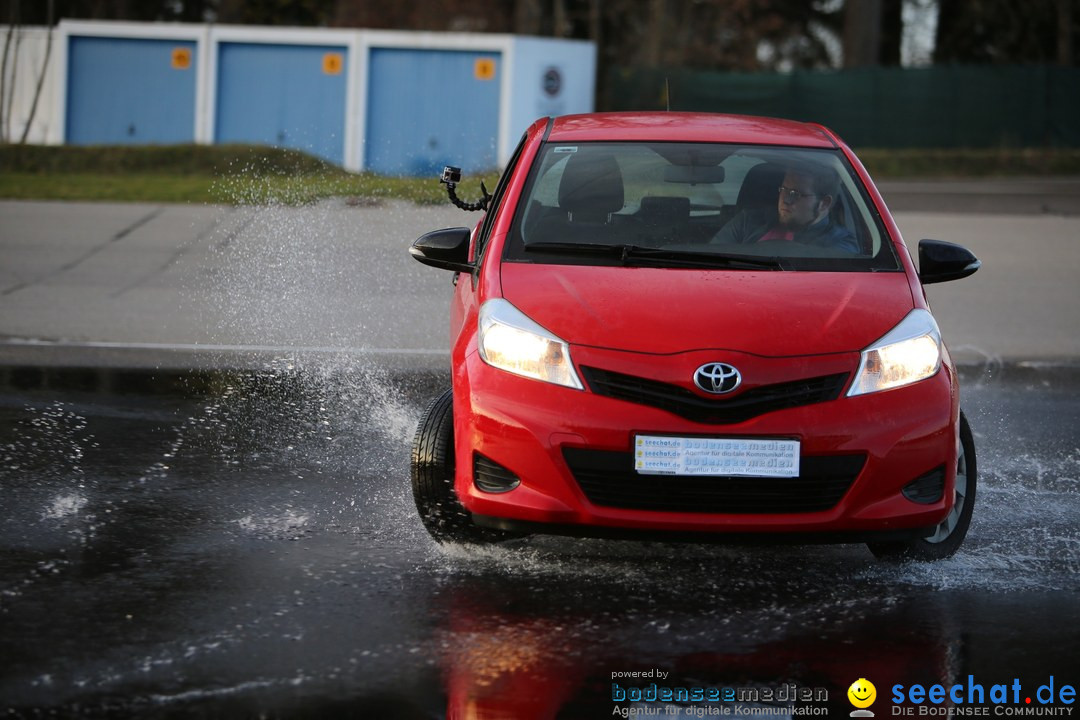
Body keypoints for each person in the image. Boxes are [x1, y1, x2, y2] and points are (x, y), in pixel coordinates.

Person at [712, 162, 859, 254]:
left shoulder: (842, 245)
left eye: (796, 194)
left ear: (824, 203)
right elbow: (714, 257)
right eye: (784, 189)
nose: (786, 200)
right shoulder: (747, 221)